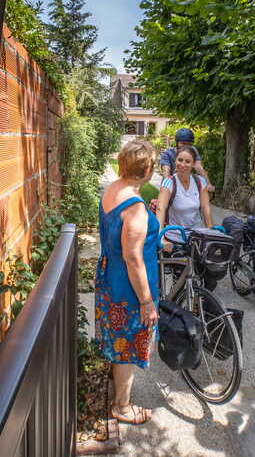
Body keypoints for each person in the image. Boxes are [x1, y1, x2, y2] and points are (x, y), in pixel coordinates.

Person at [95, 139, 160, 425]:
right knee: (129, 343)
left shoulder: (113, 189)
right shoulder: (134, 206)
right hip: (128, 286)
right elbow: (133, 257)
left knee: (117, 336)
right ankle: (122, 406)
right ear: (147, 170)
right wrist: (146, 301)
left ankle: (117, 385)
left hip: (110, 274)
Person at [156, 146, 214, 251]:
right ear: (175, 161)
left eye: (187, 161)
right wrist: (161, 237)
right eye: (180, 160)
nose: (183, 164)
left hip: (197, 235)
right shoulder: (169, 183)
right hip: (175, 236)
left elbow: (206, 210)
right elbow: (160, 209)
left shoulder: (200, 182)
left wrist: (212, 234)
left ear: (193, 164)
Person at [159, 128, 215, 192]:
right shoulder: (167, 153)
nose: (186, 146)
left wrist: (208, 184)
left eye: (188, 144)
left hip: (185, 185)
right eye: (183, 143)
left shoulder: (192, 151)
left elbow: (199, 167)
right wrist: (168, 188)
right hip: (169, 186)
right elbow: (166, 170)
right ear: (177, 142)